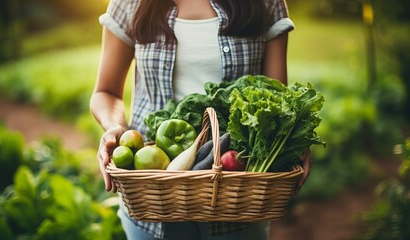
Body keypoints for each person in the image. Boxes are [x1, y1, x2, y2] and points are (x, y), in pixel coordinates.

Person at [90, 0, 311, 239]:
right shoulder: (130, 3)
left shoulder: (266, 3)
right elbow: (106, 92)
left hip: (238, 192)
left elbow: (278, 100)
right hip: (151, 194)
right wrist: (115, 127)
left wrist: (291, 143)